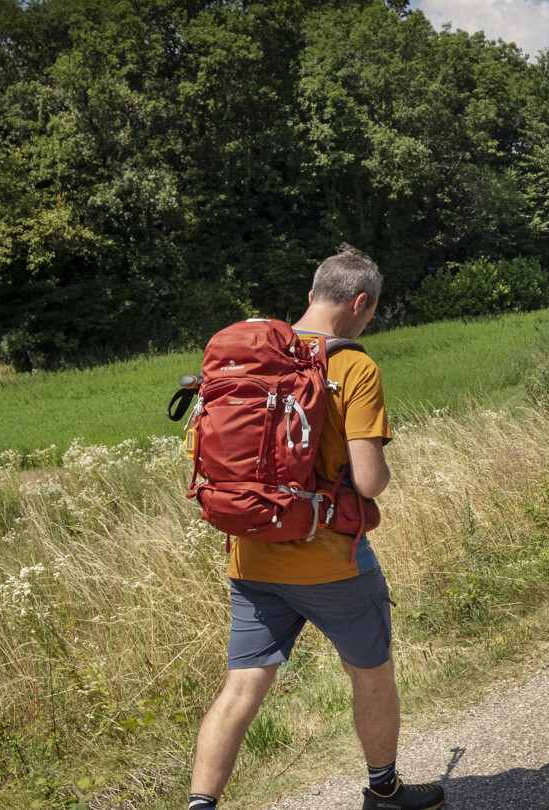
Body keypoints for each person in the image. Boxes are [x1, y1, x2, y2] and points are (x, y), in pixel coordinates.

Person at [188, 246, 443, 810]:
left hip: (252, 557)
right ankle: (384, 789)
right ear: (360, 304)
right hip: (333, 563)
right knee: (370, 674)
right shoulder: (352, 366)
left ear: (310, 295)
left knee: (242, 687)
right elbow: (370, 481)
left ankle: (200, 804)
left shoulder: (243, 361)